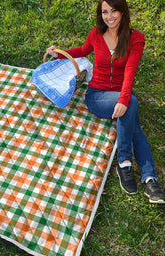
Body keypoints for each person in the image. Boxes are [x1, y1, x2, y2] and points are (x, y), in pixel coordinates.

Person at [46, 0, 165, 204]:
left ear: (123, 11)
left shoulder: (136, 39)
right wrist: (59, 55)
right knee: (132, 107)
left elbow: (130, 71)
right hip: (97, 96)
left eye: (114, 11)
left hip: (119, 93)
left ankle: (146, 176)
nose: (109, 16)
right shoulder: (96, 34)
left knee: (132, 116)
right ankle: (131, 166)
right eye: (105, 12)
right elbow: (83, 50)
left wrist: (124, 99)